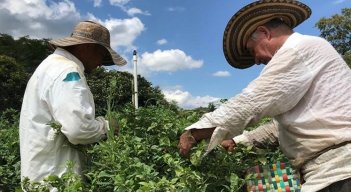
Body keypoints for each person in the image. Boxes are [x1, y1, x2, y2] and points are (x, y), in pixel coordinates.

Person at [177, 1, 351, 191]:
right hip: (320, 170)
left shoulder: (299, 49)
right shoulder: (303, 55)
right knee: (249, 183)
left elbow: (251, 103)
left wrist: (194, 133)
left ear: (264, 33)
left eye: (252, 50)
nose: (256, 60)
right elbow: (280, 128)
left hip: (340, 171)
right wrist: (237, 140)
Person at [19, 20, 127, 184]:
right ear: (87, 47)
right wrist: (107, 126)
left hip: (39, 176)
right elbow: (78, 130)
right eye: (101, 55)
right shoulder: (68, 71)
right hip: (57, 180)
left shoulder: (49, 66)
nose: (100, 63)